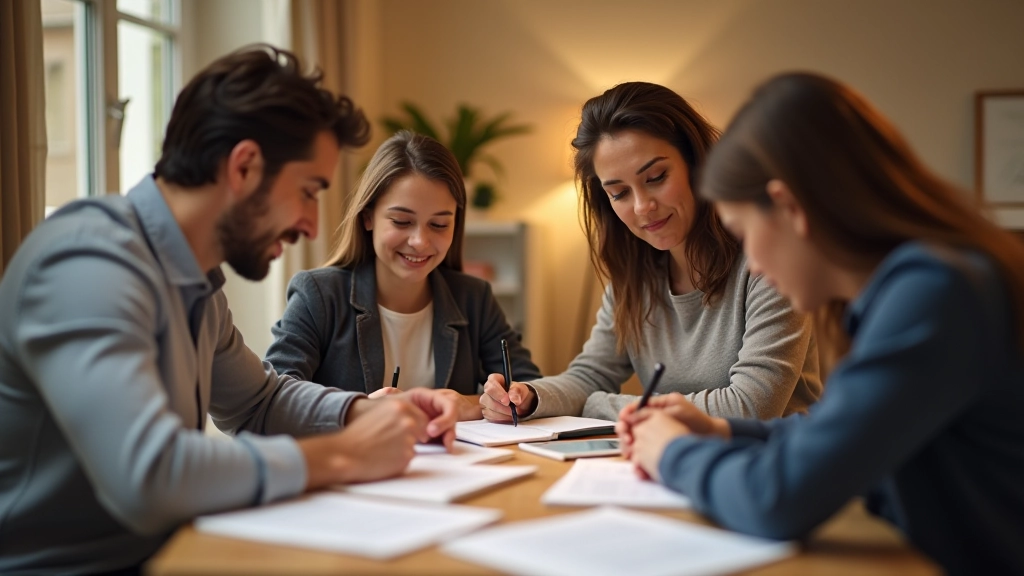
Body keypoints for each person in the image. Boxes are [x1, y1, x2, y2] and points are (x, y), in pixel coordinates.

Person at [0, 46, 467, 575]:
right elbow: (149, 476)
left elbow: (258, 403)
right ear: (244, 166)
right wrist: (347, 453)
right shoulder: (85, 264)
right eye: (308, 192)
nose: (313, 225)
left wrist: (368, 411)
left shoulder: (195, 278)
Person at [620, 72, 1024, 574]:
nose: (754, 264)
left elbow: (777, 498)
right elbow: (841, 434)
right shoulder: (917, 285)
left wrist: (672, 453)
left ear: (789, 208)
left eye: (744, 234)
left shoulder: (935, 293)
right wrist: (720, 430)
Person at [481, 81, 821, 423]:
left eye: (656, 177)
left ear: (697, 164)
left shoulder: (768, 261)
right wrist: (529, 397)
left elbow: (750, 408)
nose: (643, 207)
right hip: (673, 459)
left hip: (772, 464)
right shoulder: (634, 277)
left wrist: (601, 405)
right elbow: (589, 376)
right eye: (619, 193)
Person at [265, 130, 540, 406]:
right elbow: (274, 398)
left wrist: (469, 404)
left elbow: (532, 388)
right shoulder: (318, 296)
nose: (420, 242)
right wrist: (355, 411)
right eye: (401, 221)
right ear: (368, 216)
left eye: (439, 225)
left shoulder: (474, 298)